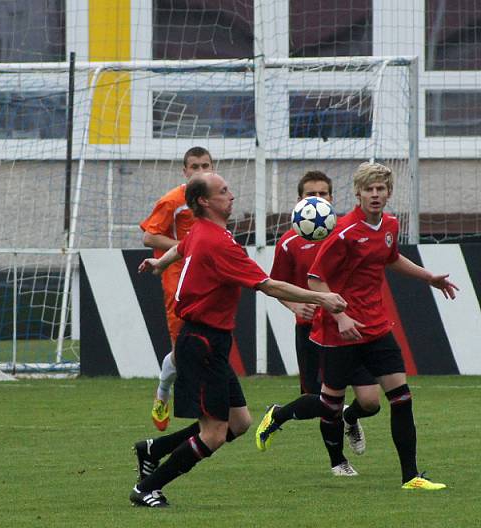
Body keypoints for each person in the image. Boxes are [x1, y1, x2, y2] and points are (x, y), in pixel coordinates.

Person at [130, 172, 347, 508]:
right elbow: (269, 285)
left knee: (240, 422)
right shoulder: (217, 243)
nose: (232, 195)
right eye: (224, 191)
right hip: (201, 342)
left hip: (211, 342)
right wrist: (323, 299)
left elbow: (181, 247)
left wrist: (160, 262)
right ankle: (148, 488)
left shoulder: (205, 231)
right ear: (204, 201)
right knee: (214, 434)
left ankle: (153, 450)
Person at [256, 162, 457, 490]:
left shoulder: (389, 225)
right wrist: (340, 316)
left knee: (400, 398)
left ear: (388, 192)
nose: (375, 194)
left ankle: (412, 476)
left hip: (376, 328)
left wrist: (429, 277)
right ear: (358, 193)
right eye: (369, 189)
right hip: (339, 332)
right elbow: (315, 279)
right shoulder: (344, 232)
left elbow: (390, 258)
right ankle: (278, 415)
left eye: (381, 189)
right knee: (328, 405)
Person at [263, 171, 381, 476]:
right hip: (313, 332)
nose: (316, 200)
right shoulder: (289, 242)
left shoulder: (348, 232)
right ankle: (338, 462)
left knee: (370, 402)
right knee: (323, 401)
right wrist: (294, 305)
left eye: (323, 194)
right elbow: (275, 285)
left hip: (352, 327)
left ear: (332, 199)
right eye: (309, 195)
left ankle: (288, 414)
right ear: (298, 200)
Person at [139, 146, 213, 431]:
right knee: (182, 346)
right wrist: (186, 249)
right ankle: (164, 392)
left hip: (206, 280)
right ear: (185, 172)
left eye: (205, 165)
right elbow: (149, 236)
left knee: (206, 342)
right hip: (176, 278)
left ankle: (202, 399)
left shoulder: (214, 201)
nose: (200, 171)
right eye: (194, 166)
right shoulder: (173, 200)